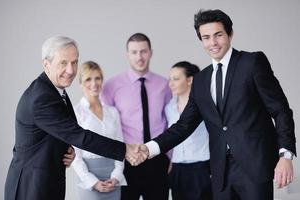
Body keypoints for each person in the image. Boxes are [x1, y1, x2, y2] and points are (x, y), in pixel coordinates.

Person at [134, 9, 296, 200]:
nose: (213, 43)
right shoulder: (201, 80)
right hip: (220, 172)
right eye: (206, 37)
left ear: (230, 34)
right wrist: (149, 148)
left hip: (254, 167)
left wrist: (285, 156)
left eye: (218, 35)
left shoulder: (252, 63)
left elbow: (280, 109)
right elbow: (183, 126)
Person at [4, 36, 142, 200]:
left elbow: (57, 132)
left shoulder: (55, 90)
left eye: (74, 62)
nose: (71, 70)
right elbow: (79, 135)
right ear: (46, 64)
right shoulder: (41, 97)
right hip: (31, 187)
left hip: (45, 182)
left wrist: (65, 149)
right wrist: (125, 149)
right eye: (63, 63)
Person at [101, 33, 172, 200]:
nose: (139, 57)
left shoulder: (165, 85)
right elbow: (108, 124)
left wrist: (170, 157)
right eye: (134, 52)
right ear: (127, 55)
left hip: (157, 158)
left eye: (143, 51)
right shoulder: (111, 86)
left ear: (151, 53)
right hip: (127, 159)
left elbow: (171, 121)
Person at [72, 61, 127, 200]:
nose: (94, 83)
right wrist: (93, 182)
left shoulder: (112, 112)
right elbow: (75, 155)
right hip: (88, 178)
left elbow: (120, 145)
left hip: (112, 178)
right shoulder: (76, 113)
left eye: (97, 78)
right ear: (80, 83)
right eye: (88, 79)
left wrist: (116, 176)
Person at [166, 61, 211, 200]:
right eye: (170, 79)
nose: (171, 83)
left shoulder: (205, 106)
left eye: (176, 79)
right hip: (178, 168)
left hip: (201, 167)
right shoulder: (169, 107)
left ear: (190, 80)